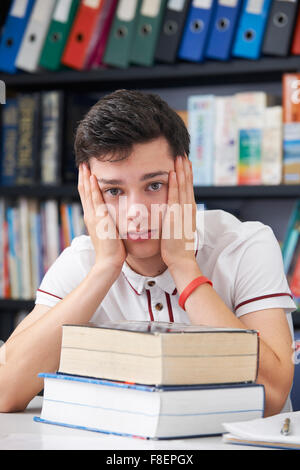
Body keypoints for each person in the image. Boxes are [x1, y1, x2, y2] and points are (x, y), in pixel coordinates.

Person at [0, 89, 296, 417]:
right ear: (89, 194)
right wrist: (105, 269)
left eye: (154, 185)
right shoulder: (83, 261)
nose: (135, 212)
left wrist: (184, 267)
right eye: (113, 191)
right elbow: (3, 392)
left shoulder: (245, 244)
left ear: (185, 176)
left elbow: (272, 396)